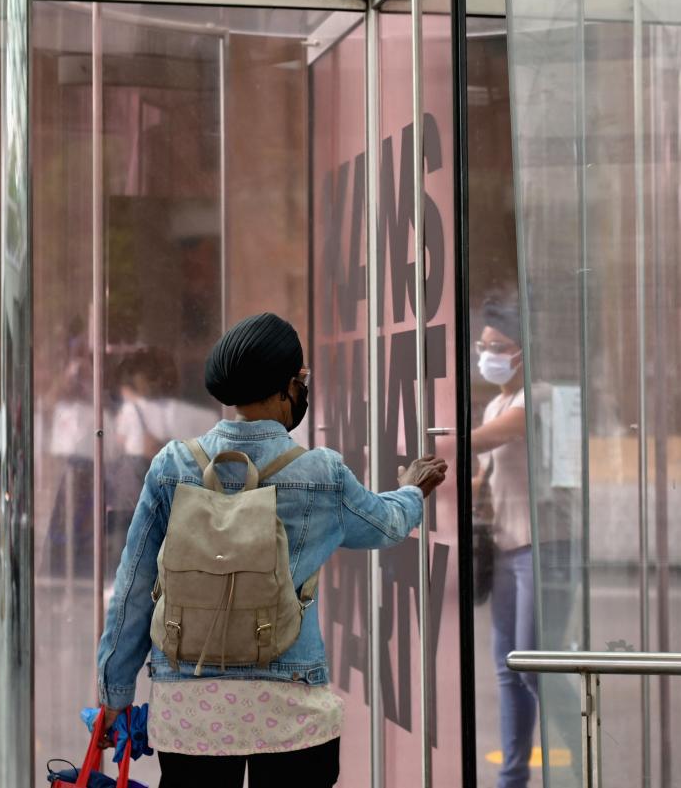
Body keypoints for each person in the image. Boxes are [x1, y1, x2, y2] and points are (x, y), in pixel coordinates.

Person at [94, 312, 448, 788]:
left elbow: (135, 585)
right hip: (288, 705)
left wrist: (115, 694)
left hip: (191, 712)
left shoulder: (172, 465)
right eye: (301, 380)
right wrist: (411, 488)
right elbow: (383, 526)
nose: (302, 389)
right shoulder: (320, 472)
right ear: (285, 388)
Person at [471, 298, 574, 788]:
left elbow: (490, 439)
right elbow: (487, 475)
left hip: (545, 547)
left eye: (498, 347)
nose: (487, 355)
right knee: (509, 671)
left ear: (522, 352)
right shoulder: (495, 401)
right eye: (483, 346)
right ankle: (512, 780)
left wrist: (443, 442)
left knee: (536, 668)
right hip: (507, 548)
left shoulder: (540, 396)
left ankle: (584, 756)